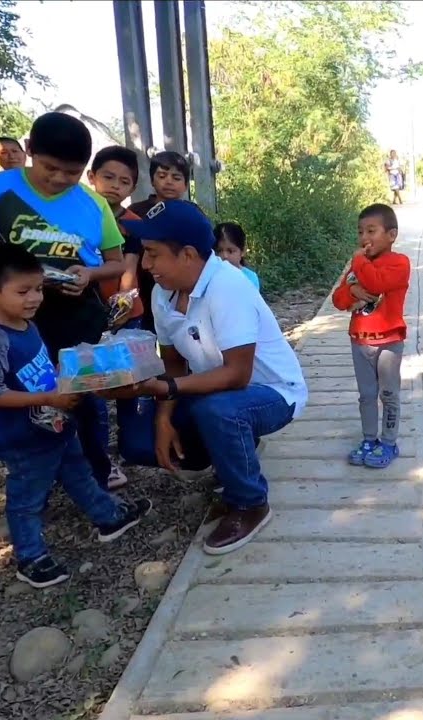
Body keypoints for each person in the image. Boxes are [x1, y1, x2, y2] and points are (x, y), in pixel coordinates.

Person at [109, 200, 308, 555]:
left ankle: (250, 503)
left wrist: (166, 389)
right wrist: (164, 418)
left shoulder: (227, 287)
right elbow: (171, 363)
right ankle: (229, 458)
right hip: (215, 392)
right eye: (143, 253)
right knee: (138, 440)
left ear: (187, 254)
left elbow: (237, 375)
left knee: (218, 412)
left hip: (273, 393)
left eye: (153, 253)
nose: (146, 264)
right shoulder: (162, 292)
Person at [0, 244, 151, 589]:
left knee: (80, 474)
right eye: (22, 291)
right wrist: (48, 396)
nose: (34, 298)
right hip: (23, 439)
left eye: (38, 289)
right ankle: (30, 557)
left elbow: (41, 368)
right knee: (27, 499)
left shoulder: (29, 326)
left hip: (55, 425)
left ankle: (108, 517)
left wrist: (74, 374)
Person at [0, 111, 129, 492]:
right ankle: (40, 470)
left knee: (84, 394)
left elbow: (116, 261)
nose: (59, 179)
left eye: (71, 172)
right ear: (29, 151)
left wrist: (88, 275)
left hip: (75, 311)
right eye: (50, 167)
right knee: (29, 391)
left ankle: (97, 467)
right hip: (16, 316)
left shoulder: (93, 204)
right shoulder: (0, 188)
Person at [332, 204, 411, 469]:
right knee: (366, 395)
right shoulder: (358, 268)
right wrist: (352, 290)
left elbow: (378, 283)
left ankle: (389, 442)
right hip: (360, 341)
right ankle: (369, 439)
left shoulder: (399, 263)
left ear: (391, 235)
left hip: (389, 342)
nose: (364, 238)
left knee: (388, 394)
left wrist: (358, 264)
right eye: (360, 232)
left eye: (371, 231)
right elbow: (338, 299)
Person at [87, 145, 149, 477]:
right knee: (92, 385)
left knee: (129, 379)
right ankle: (99, 458)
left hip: (127, 310)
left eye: (124, 181)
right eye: (108, 177)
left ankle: (132, 444)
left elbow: (131, 265)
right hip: (84, 313)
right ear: (91, 177)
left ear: (131, 188)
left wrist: (123, 304)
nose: (115, 185)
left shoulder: (134, 223)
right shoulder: (81, 215)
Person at [130, 151, 199, 333]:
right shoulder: (136, 212)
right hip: (145, 283)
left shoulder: (192, 212)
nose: (169, 181)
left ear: (185, 185)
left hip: (183, 284)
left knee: (189, 332)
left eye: (176, 177)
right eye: (162, 176)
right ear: (152, 180)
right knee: (147, 335)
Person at [213, 222, 261, 291]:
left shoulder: (250, 278)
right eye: (219, 251)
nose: (224, 256)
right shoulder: (211, 276)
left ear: (242, 251)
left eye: (230, 251)